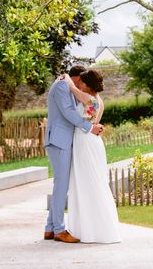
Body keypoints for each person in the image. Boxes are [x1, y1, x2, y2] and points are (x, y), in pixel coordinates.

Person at [44, 65, 104, 243]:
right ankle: (59, 230)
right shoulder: (62, 86)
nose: (81, 85)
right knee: (61, 184)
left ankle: (50, 227)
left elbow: (89, 105)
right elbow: (68, 112)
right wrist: (90, 127)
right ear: (76, 78)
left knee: (61, 185)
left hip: (65, 140)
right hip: (59, 139)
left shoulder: (70, 87)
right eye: (81, 80)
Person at [64, 69, 121, 243]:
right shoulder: (99, 101)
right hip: (91, 142)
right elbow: (93, 122)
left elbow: (71, 88)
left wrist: (67, 78)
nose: (79, 83)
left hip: (86, 143)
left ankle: (93, 229)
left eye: (82, 82)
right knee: (91, 183)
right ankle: (91, 228)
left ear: (87, 85)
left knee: (89, 183)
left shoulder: (88, 99)